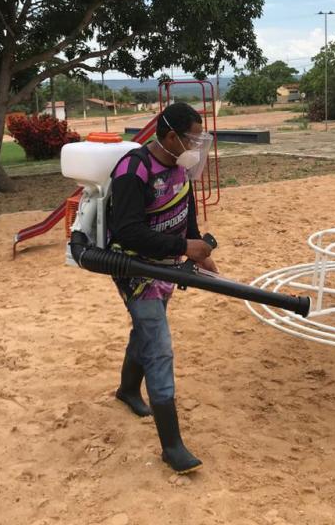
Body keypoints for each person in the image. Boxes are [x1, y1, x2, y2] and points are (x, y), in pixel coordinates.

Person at [107, 102, 215, 474]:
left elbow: (187, 217)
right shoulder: (133, 170)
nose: (195, 148)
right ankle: (172, 447)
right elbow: (127, 231)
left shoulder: (180, 170)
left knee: (147, 331)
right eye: (191, 139)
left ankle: (126, 390)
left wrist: (198, 249)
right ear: (170, 137)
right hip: (134, 268)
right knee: (159, 345)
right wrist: (184, 248)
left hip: (168, 265)